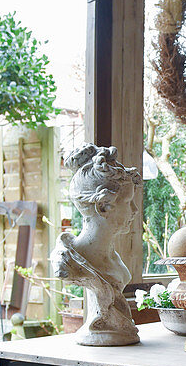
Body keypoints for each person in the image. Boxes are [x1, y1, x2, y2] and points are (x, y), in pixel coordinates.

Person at [51, 144, 141, 345]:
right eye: (128, 202)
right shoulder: (69, 262)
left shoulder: (112, 257)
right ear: (103, 206)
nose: (135, 210)